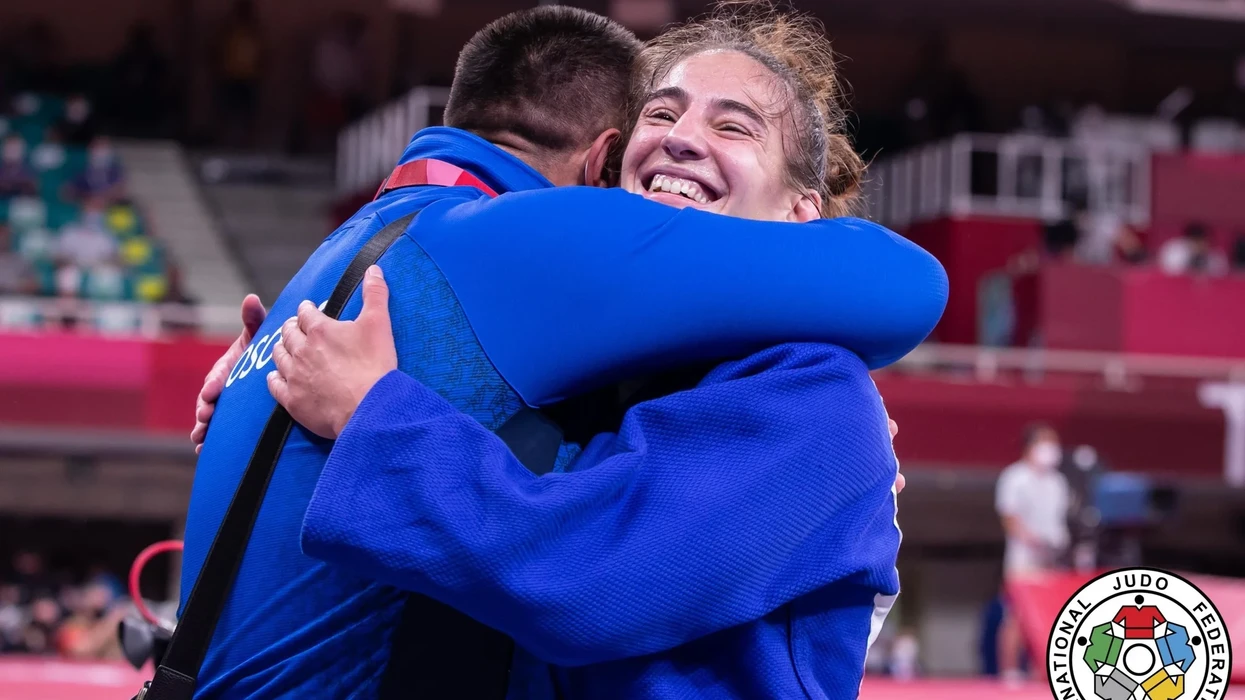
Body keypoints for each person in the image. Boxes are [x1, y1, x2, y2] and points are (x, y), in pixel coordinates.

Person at [185, 6, 945, 699]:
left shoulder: (816, 392)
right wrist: (266, 415)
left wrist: (373, 417)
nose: (682, 136)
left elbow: (592, 580)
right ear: (609, 164)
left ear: (803, 216)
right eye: (662, 112)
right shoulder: (611, 372)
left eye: (735, 127)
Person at [995, 423, 1071, 687]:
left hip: (1052, 558)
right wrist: (1032, 540)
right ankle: (1009, 670)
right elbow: (1009, 518)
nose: (1052, 449)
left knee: (1050, 616)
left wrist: (1058, 545)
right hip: (1023, 559)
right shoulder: (1014, 477)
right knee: (1016, 616)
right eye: (1046, 442)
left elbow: (1060, 521)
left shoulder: (1058, 482)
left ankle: (1043, 670)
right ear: (1030, 447)